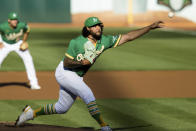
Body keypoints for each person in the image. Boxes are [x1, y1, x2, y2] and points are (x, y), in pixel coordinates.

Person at [15, 17, 164, 130]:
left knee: (62, 108)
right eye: (95, 26)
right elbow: (67, 63)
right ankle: (104, 126)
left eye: (99, 25)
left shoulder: (104, 41)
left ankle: (30, 113)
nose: (98, 27)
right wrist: (81, 63)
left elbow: (128, 36)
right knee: (87, 93)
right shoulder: (76, 42)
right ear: (88, 29)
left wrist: (149, 27)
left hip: (76, 76)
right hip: (65, 72)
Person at [0, 12, 41, 90]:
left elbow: (27, 30)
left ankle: (34, 83)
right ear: (9, 20)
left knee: (29, 60)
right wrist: (0, 42)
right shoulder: (3, 26)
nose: (15, 21)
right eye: (13, 20)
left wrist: (24, 41)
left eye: (16, 19)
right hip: (5, 44)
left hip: (17, 44)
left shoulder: (21, 25)